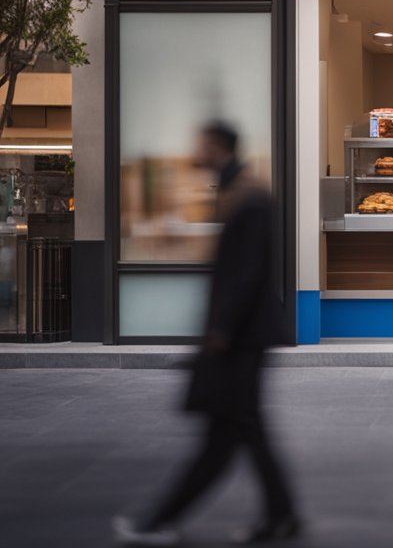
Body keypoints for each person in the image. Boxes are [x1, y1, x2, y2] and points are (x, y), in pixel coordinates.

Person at [113, 122, 300, 546]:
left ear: (217, 147)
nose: (194, 151)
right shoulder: (239, 192)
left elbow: (247, 273)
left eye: (200, 144)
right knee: (241, 430)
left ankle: (161, 520)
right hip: (241, 333)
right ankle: (281, 515)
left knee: (232, 431)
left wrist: (220, 330)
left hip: (241, 336)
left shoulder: (248, 198)